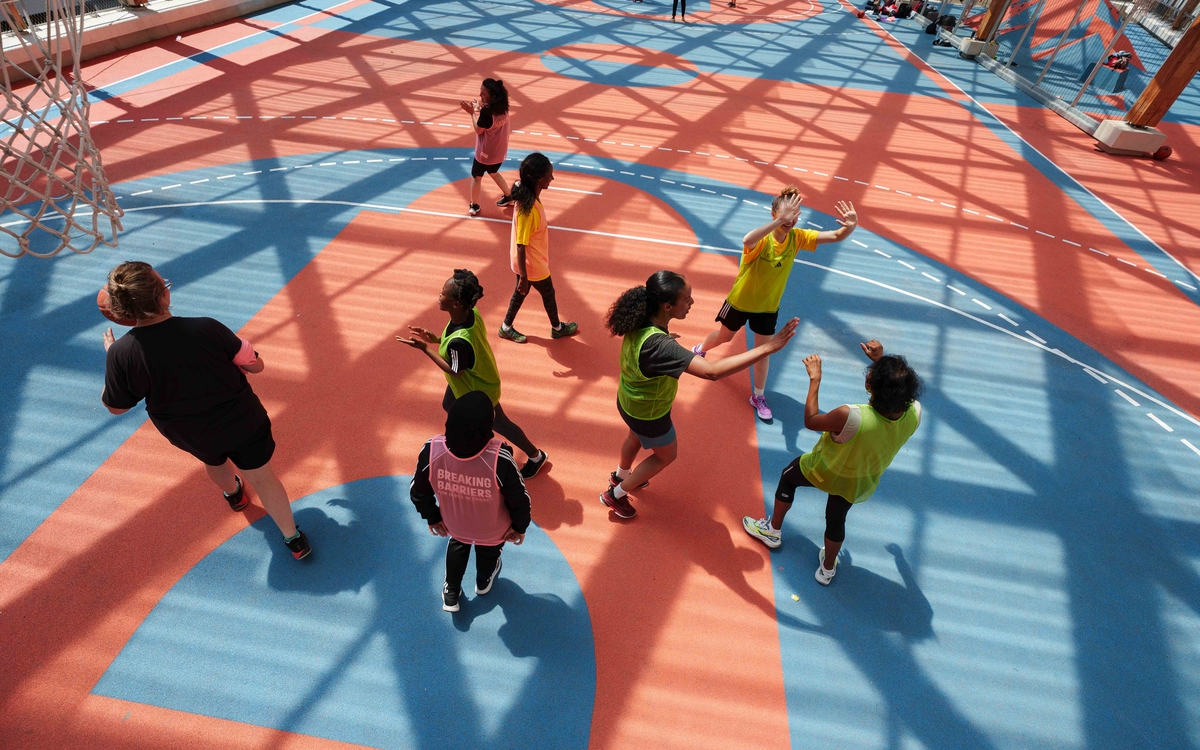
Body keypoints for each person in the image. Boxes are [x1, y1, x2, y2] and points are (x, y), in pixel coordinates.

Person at [99, 261, 311, 559]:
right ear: (164, 296)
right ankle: (293, 539)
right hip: (243, 420)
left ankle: (234, 495)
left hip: (189, 432)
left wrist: (112, 358)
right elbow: (256, 365)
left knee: (214, 462)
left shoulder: (122, 354)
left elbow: (117, 407)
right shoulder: (207, 328)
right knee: (263, 477)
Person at [601, 270, 799, 519]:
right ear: (667, 305)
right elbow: (712, 372)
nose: (692, 302)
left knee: (634, 438)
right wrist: (767, 347)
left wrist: (666, 343)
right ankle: (616, 494)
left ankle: (621, 473)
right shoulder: (661, 346)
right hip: (649, 414)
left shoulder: (639, 321)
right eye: (687, 298)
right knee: (665, 456)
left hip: (628, 402)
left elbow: (651, 351)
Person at [742, 340, 923, 586]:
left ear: (872, 387)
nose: (868, 374)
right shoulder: (914, 413)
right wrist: (881, 363)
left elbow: (812, 420)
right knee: (836, 519)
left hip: (824, 470)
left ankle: (772, 531)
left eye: (871, 374)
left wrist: (815, 379)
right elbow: (896, 393)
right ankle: (827, 568)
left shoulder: (852, 415)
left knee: (788, 477)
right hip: (860, 480)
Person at [693, 186, 858, 422]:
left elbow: (835, 236)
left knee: (763, 353)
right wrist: (780, 219)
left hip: (767, 308)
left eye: (796, 214)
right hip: (739, 302)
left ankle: (758, 396)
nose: (792, 219)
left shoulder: (798, 237)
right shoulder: (761, 240)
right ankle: (701, 350)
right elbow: (746, 239)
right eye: (787, 214)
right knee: (723, 337)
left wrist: (849, 227)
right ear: (775, 215)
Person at [397, 268, 548, 479]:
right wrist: (436, 339)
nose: (439, 296)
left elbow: (456, 371)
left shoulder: (459, 342)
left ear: (456, 303)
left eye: (442, 293)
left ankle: (536, 456)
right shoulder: (470, 313)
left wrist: (425, 349)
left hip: (479, 390)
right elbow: (456, 352)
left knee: (499, 423)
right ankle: (475, 438)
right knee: (449, 405)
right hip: (470, 382)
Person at [409, 390, 531, 612]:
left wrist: (433, 517)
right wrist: (519, 526)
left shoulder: (432, 450)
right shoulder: (499, 458)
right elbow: (519, 499)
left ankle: (451, 592)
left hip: (454, 525)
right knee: (489, 553)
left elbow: (417, 491)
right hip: (494, 531)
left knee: (458, 544)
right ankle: (483, 582)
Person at [498, 152, 579, 344]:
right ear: (539, 178)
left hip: (526, 263)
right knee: (548, 293)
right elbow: (521, 243)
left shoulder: (528, 197)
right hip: (532, 264)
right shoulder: (528, 209)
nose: (552, 178)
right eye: (549, 174)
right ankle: (557, 328)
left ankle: (506, 327)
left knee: (520, 293)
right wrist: (525, 276)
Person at [459, 78, 512, 217]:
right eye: (480, 93)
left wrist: (472, 113)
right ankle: (509, 196)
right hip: (500, 151)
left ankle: (474, 205)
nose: (480, 96)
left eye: (484, 95)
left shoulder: (486, 112)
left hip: (485, 153)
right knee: (493, 172)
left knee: (477, 177)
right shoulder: (503, 106)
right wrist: (480, 108)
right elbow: (489, 117)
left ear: (492, 96)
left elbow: (479, 129)